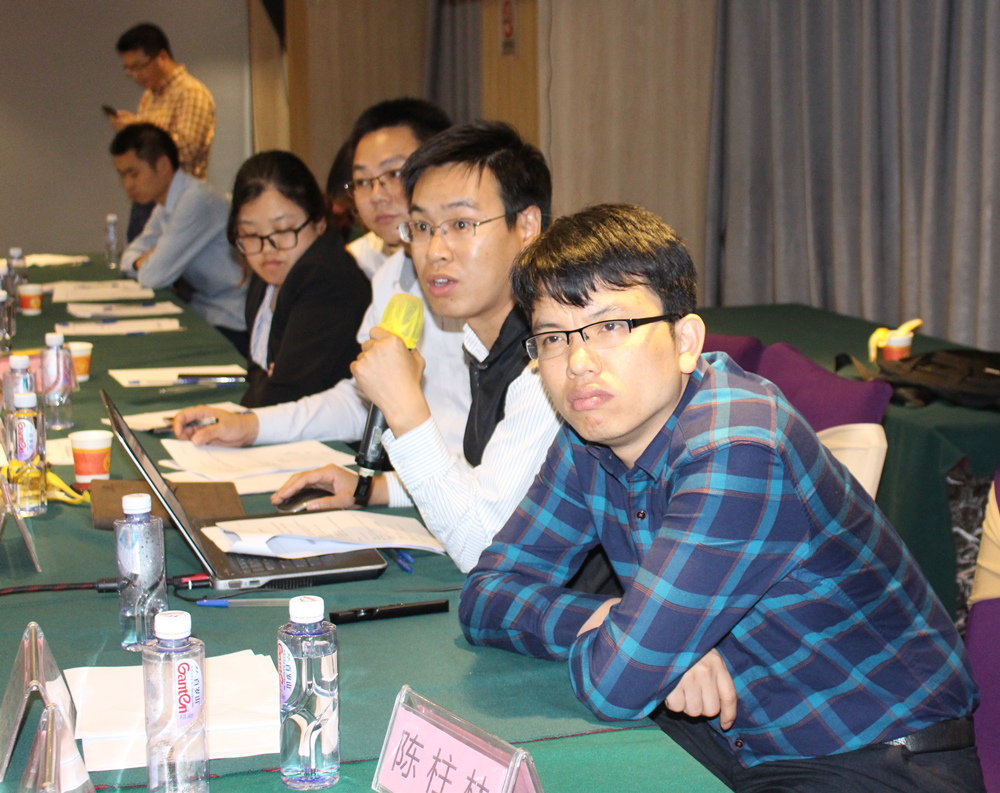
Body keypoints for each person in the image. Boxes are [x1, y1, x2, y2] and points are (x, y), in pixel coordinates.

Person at [459, 204, 984, 792]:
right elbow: (485, 594)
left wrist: (642, 649)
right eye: (554, 338)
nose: (579, 363)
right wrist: (608, 620)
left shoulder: (739, 448)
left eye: (611, 327)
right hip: (734, 740)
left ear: (685, 341)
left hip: (876, 756)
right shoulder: (588, 438)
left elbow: (617, 683)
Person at [175, 121, 562, 574]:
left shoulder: (553, 358)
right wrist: (372, 489)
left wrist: (404, 405)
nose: (436, 249)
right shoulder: (486, 342)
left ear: (527, 225)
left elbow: (483, 549)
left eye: (461, 224)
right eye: (422, 226)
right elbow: (487, 481)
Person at [230, 151, 370, 408]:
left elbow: (285, 396)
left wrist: (271, 382)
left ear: (319, 222)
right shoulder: (270, 275)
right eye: (250, 234)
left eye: (283, 230)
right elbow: (257, 372)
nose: (267, 248)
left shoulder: (328, 279)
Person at [112, 123, 247, 353]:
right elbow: (128, 258)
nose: (128, 184)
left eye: (133, 174)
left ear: (163, 165)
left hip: (232, 318)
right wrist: (141, 262)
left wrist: (148, 262)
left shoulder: (196, 200)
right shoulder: (165, 204)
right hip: (204, 309)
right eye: (122, 175)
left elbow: (153, 277)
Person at [108, 23, 216, 240]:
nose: (135, 75)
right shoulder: (149, 97)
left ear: (163, 57)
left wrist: (136, 129)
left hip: (179, 203)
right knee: (137, 256)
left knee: (162, 260)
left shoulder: (190, 92)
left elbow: (185, 151)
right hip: (148, 200)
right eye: (129, 69)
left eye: (139, 66)